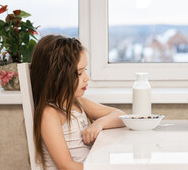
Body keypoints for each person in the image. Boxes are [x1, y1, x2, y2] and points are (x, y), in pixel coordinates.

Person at [30, 35, 125, 170]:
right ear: (55, 77)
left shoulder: (78, 103)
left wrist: (99, 124)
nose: (87, 78)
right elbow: (65, 166)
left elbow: (120, 116)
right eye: (79, 73)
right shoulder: (50, 114)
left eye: (85, 70)